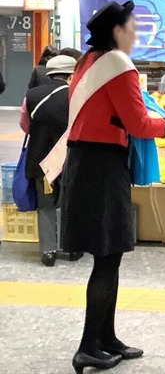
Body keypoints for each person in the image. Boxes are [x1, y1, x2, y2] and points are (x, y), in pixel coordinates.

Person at [40, 0, 165, 373]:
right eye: (132, 27)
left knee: (108, 255)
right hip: (103, 166)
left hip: (84, 162)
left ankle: (107, 338)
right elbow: (138, 124)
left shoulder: (87, 62)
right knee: (106, 256)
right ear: (117, 31)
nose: (135, 34)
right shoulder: (118, 65)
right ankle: (88, 346)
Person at [19, 55, 82, 267]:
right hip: (71, 158)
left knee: (45, 204)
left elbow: (25, 125)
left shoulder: (32, 95)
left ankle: (48, 252)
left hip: (41, 160)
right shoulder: (77, 95)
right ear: (71, 74)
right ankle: (72, 248)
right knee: (71, 202)